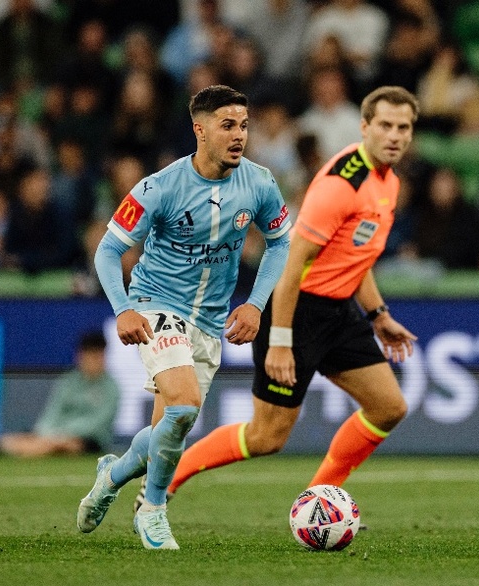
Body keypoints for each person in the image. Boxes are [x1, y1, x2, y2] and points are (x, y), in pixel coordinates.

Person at [163, 86, 418, 512]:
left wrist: (377, 314)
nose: (395, 135)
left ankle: (319, 503)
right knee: (267, 438)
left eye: (404, 127)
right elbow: (291, 263)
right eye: (386, 125)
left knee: (389, 407)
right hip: (296, 310)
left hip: (339, 312)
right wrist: (279, 339)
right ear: (364, 127)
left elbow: (356, 256)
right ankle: (169, 477)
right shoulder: (342, 184)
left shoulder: (387, 181)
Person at [75, 85, 292, 550]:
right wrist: (125, 309)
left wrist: (255, 303)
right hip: (157, 306)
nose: (239, 135)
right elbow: (109, 251)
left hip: (210, 323)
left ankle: (111, 474)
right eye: (227, 125)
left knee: (165, 431)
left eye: (244, 126)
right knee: (184, 406)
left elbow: (281, 244)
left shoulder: (259, 183)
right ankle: (152, 511)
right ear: (200, 130)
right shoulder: (160, 186)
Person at [0, 330, 120, 457]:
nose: (94, 361)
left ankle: (31, 451)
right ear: (80, 356)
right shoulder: (68, 381)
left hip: (89, 441)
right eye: (89, 356)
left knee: (64, 445)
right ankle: (30, 448)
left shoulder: (112, 387)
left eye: (98, 356)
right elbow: (52, 413)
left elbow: (97, 424)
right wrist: (46, 434)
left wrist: (64, 435)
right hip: (55, 436)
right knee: (8, 440)